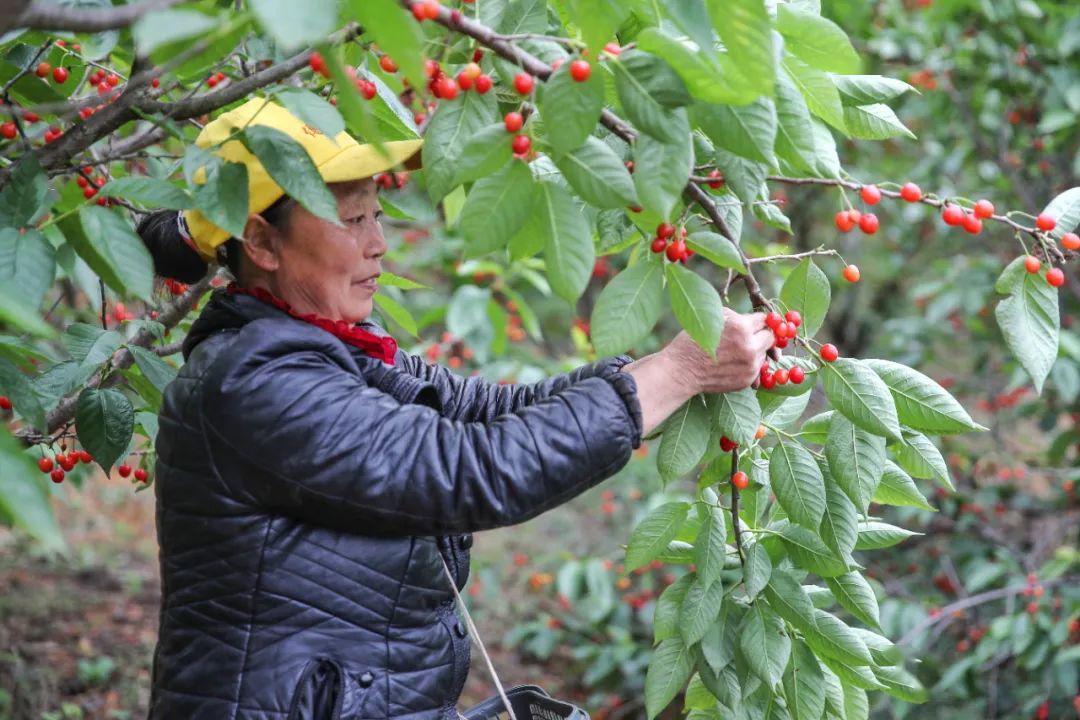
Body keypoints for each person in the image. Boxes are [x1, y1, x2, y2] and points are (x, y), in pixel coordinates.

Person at [138, 97, 774, 720]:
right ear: (261, 242)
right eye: (352, 220)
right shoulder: (252, 381)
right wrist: (679, 372)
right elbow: (469, 468)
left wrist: (662, 370)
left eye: (377, 215)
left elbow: (490, 410)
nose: (379, 243)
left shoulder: (335, 354)